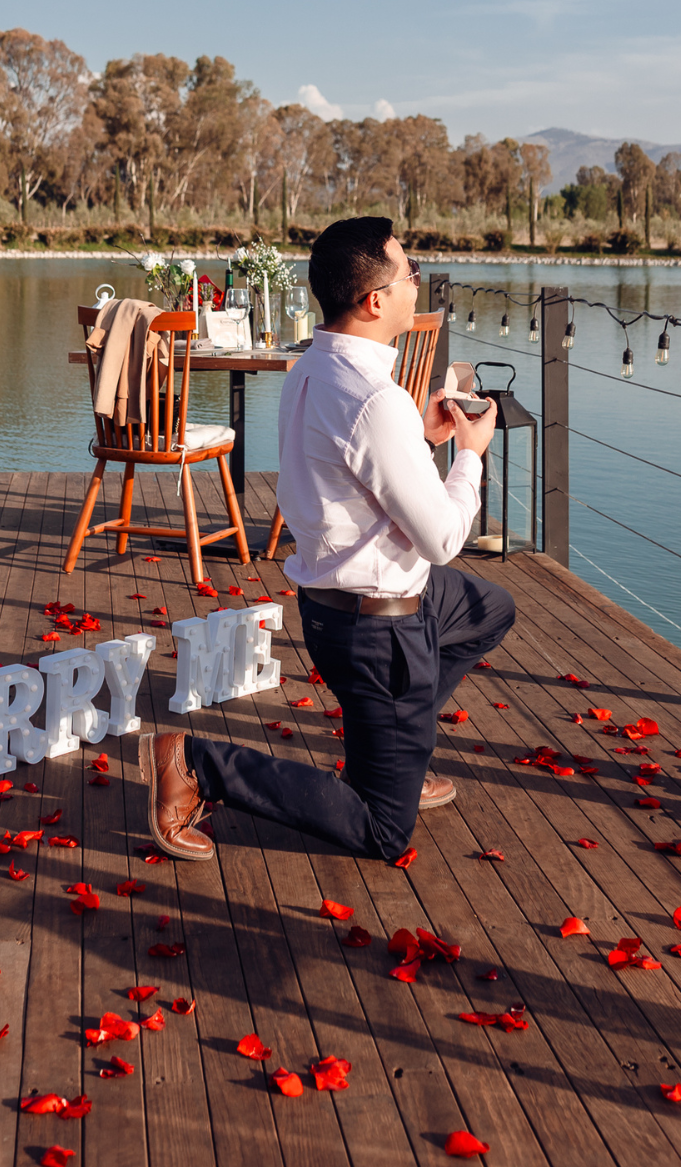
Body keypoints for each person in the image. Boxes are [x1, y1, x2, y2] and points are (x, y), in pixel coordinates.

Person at [139, 216, 514, 863]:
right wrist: (470, 455)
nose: (416, 284)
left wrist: (420, 439)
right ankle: (198, 764)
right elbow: (443, 538)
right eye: (410, 273)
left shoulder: (310, 369)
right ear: (375, 300)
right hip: (379, 629)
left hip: (338, 605)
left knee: (490, 609)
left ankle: (404, 740)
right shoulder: (375, 399)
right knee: (382, 830)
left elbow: (350, 466)